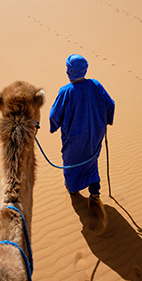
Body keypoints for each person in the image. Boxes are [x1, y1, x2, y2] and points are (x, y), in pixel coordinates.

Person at [49, 54, 115, 212]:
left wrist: (53, 126)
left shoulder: (65, 91)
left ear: (71, 72)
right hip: (95, 135)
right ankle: (95, 193)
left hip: (74, 139)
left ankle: (73, 190)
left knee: (71, 164)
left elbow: (53, 115)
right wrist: (107, 120)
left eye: (68, 69)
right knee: (91, 161)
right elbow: (110, 104)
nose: (66, 72)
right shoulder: (96, 85)